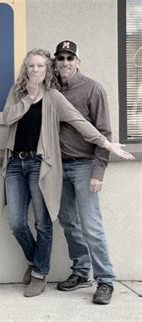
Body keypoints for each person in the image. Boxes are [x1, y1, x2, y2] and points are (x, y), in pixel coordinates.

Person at [2, 48, 134, 298]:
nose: (35, 70)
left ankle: (100, 279)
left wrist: (106, 148)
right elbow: (7, 118)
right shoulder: (21, 91)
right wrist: (28, 99)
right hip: (36, 166)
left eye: (40, 66)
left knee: (83, 226)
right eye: (31, 66)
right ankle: (69, 269)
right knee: (26, 223)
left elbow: (82, 123)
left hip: (60, 166)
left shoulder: (61, 94)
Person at [53, 40, 120, 305]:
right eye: (61, 58)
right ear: (55, 62)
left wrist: (98, 172)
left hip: (84, 167)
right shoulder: (50, 89)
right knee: (69, 222)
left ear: (78, 61)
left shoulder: (93, 89)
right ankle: (82, 272)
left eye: (70, 58)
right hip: (58, 168)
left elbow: (104, 133)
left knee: (91, 226)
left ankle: (106, 280)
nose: (65, 63)